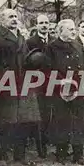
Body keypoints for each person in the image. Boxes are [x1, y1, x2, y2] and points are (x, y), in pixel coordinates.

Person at [0, 9, 41, 166]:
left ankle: (20, 154)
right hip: (5, 85)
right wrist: (2, 77)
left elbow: (26, 58)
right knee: (4, 122)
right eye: (10, 17)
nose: (14, 19)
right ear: (1, 19)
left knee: (21, 121)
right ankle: (2, 157)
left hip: (22, 85)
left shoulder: (21, 36)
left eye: (16, 16)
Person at [45, 19, 84, 165]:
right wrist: (62, 84)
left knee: (79, 123)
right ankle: (61, 152)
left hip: (78, 90)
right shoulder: (51, 47)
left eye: (73, 29)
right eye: (69, 29)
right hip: (60, 91)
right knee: (61, 122)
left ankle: (78, 154)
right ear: (60, 31)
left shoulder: (78, 46)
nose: (73, 31)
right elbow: (48, 70)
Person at [26, 14, 52, 158]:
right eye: (41, 23)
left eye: (46, 23)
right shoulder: (30, 42)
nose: (44, 25)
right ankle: (40, 147)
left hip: (52, 82)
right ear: (36, 25)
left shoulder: (53, 42)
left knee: (49, 113)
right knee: (39, 115)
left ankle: (49, 141)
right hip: (38, 84)